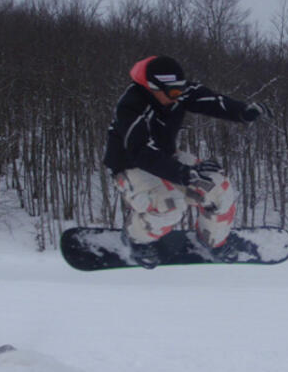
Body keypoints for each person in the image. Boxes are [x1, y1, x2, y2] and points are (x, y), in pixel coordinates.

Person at [103, 55, 270, 268]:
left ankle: (211, 240)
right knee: (170, 206)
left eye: (181, 90)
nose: (178, 96)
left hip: (167, 157)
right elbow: (141, 152)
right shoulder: (130, 106)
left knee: (219, 190)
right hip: (130, 165)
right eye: (173, 92)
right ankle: (136, 238)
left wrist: (243, 112)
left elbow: (211, 101)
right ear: (152, 88)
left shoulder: (178, 92)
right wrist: (184, 174)